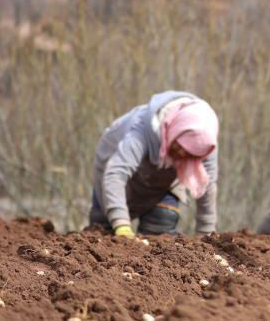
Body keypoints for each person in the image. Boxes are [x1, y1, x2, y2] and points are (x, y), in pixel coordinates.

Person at [90, 90, 219, 238]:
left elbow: (207, 185)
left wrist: (206, 233)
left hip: (162, 185)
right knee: (103, 236)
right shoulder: (140, 130)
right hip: (114, 177)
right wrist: (122, 226)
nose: (182, 155)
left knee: (162, 226)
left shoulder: (205, 142)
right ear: (175, 131)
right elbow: (116, 174)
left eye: (189, 154)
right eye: (179, 147)